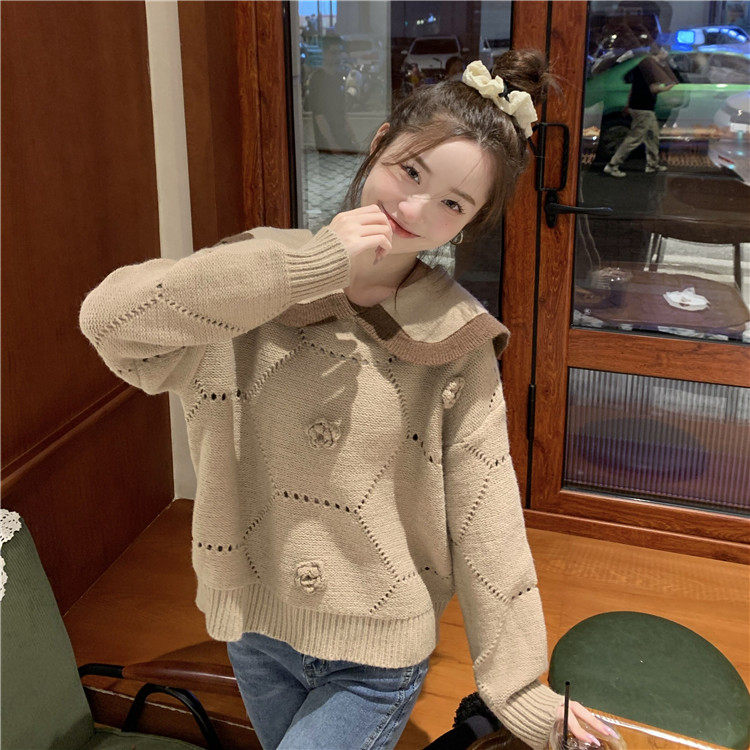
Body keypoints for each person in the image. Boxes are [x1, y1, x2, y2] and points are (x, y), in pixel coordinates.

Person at [78, 52, 616, 750]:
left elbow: (488, 515)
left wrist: (515, 686)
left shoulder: (457, 339)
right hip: (254, 628)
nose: (414, 209)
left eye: (452, 204)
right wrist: (313, 266)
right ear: (378, 143)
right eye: (410, 171)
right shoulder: (256, 274)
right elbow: (110, 323)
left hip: (376, 653)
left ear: (468, 223)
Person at [603, 43, 678, 176]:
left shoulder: (644, 64)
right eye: (665, 51)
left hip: (640, 106)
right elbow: (653, 89)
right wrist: (669, 87)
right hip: (643, 108)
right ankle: (612, 165)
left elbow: (634, 87)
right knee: (634, 138)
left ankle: (652, 165)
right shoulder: (651, 67)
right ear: (660, 52)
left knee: (652, 136)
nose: (667, 54)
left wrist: (628, 104)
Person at [307, 34, 359, 154]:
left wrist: (353, 138)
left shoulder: (337, 77)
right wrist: (332, 144)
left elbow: (342, 113)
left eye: (339, 52)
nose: (338, 57)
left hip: (342, 139)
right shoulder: (318, 79)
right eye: (334, 53)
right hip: (329, 144)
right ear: (325, 53)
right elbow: (319, 115)